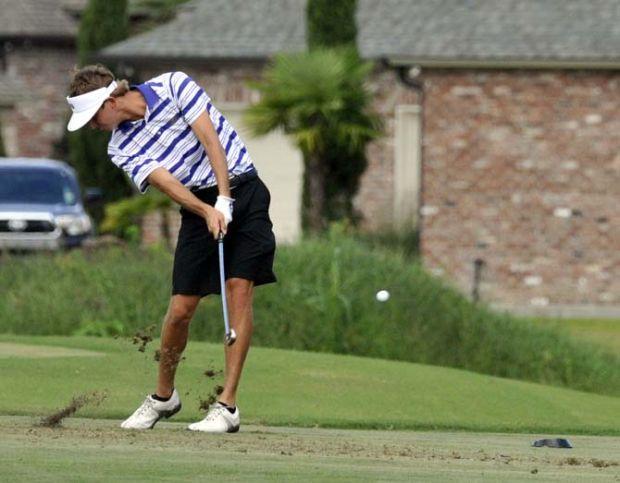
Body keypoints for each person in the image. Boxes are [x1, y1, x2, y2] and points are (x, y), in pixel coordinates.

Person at [65, 64, 276, 433]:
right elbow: (166, 182)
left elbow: (210, 139)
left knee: (238, 291)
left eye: (93, 117)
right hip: (198, 205)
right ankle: (164, 397)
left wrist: (225, 197)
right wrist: (206, 209)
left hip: (244, 188)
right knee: (180, 309)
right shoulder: (120, 146)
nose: (92, 127)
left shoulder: (174, 85)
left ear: (110, 100)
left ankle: (227, 405)